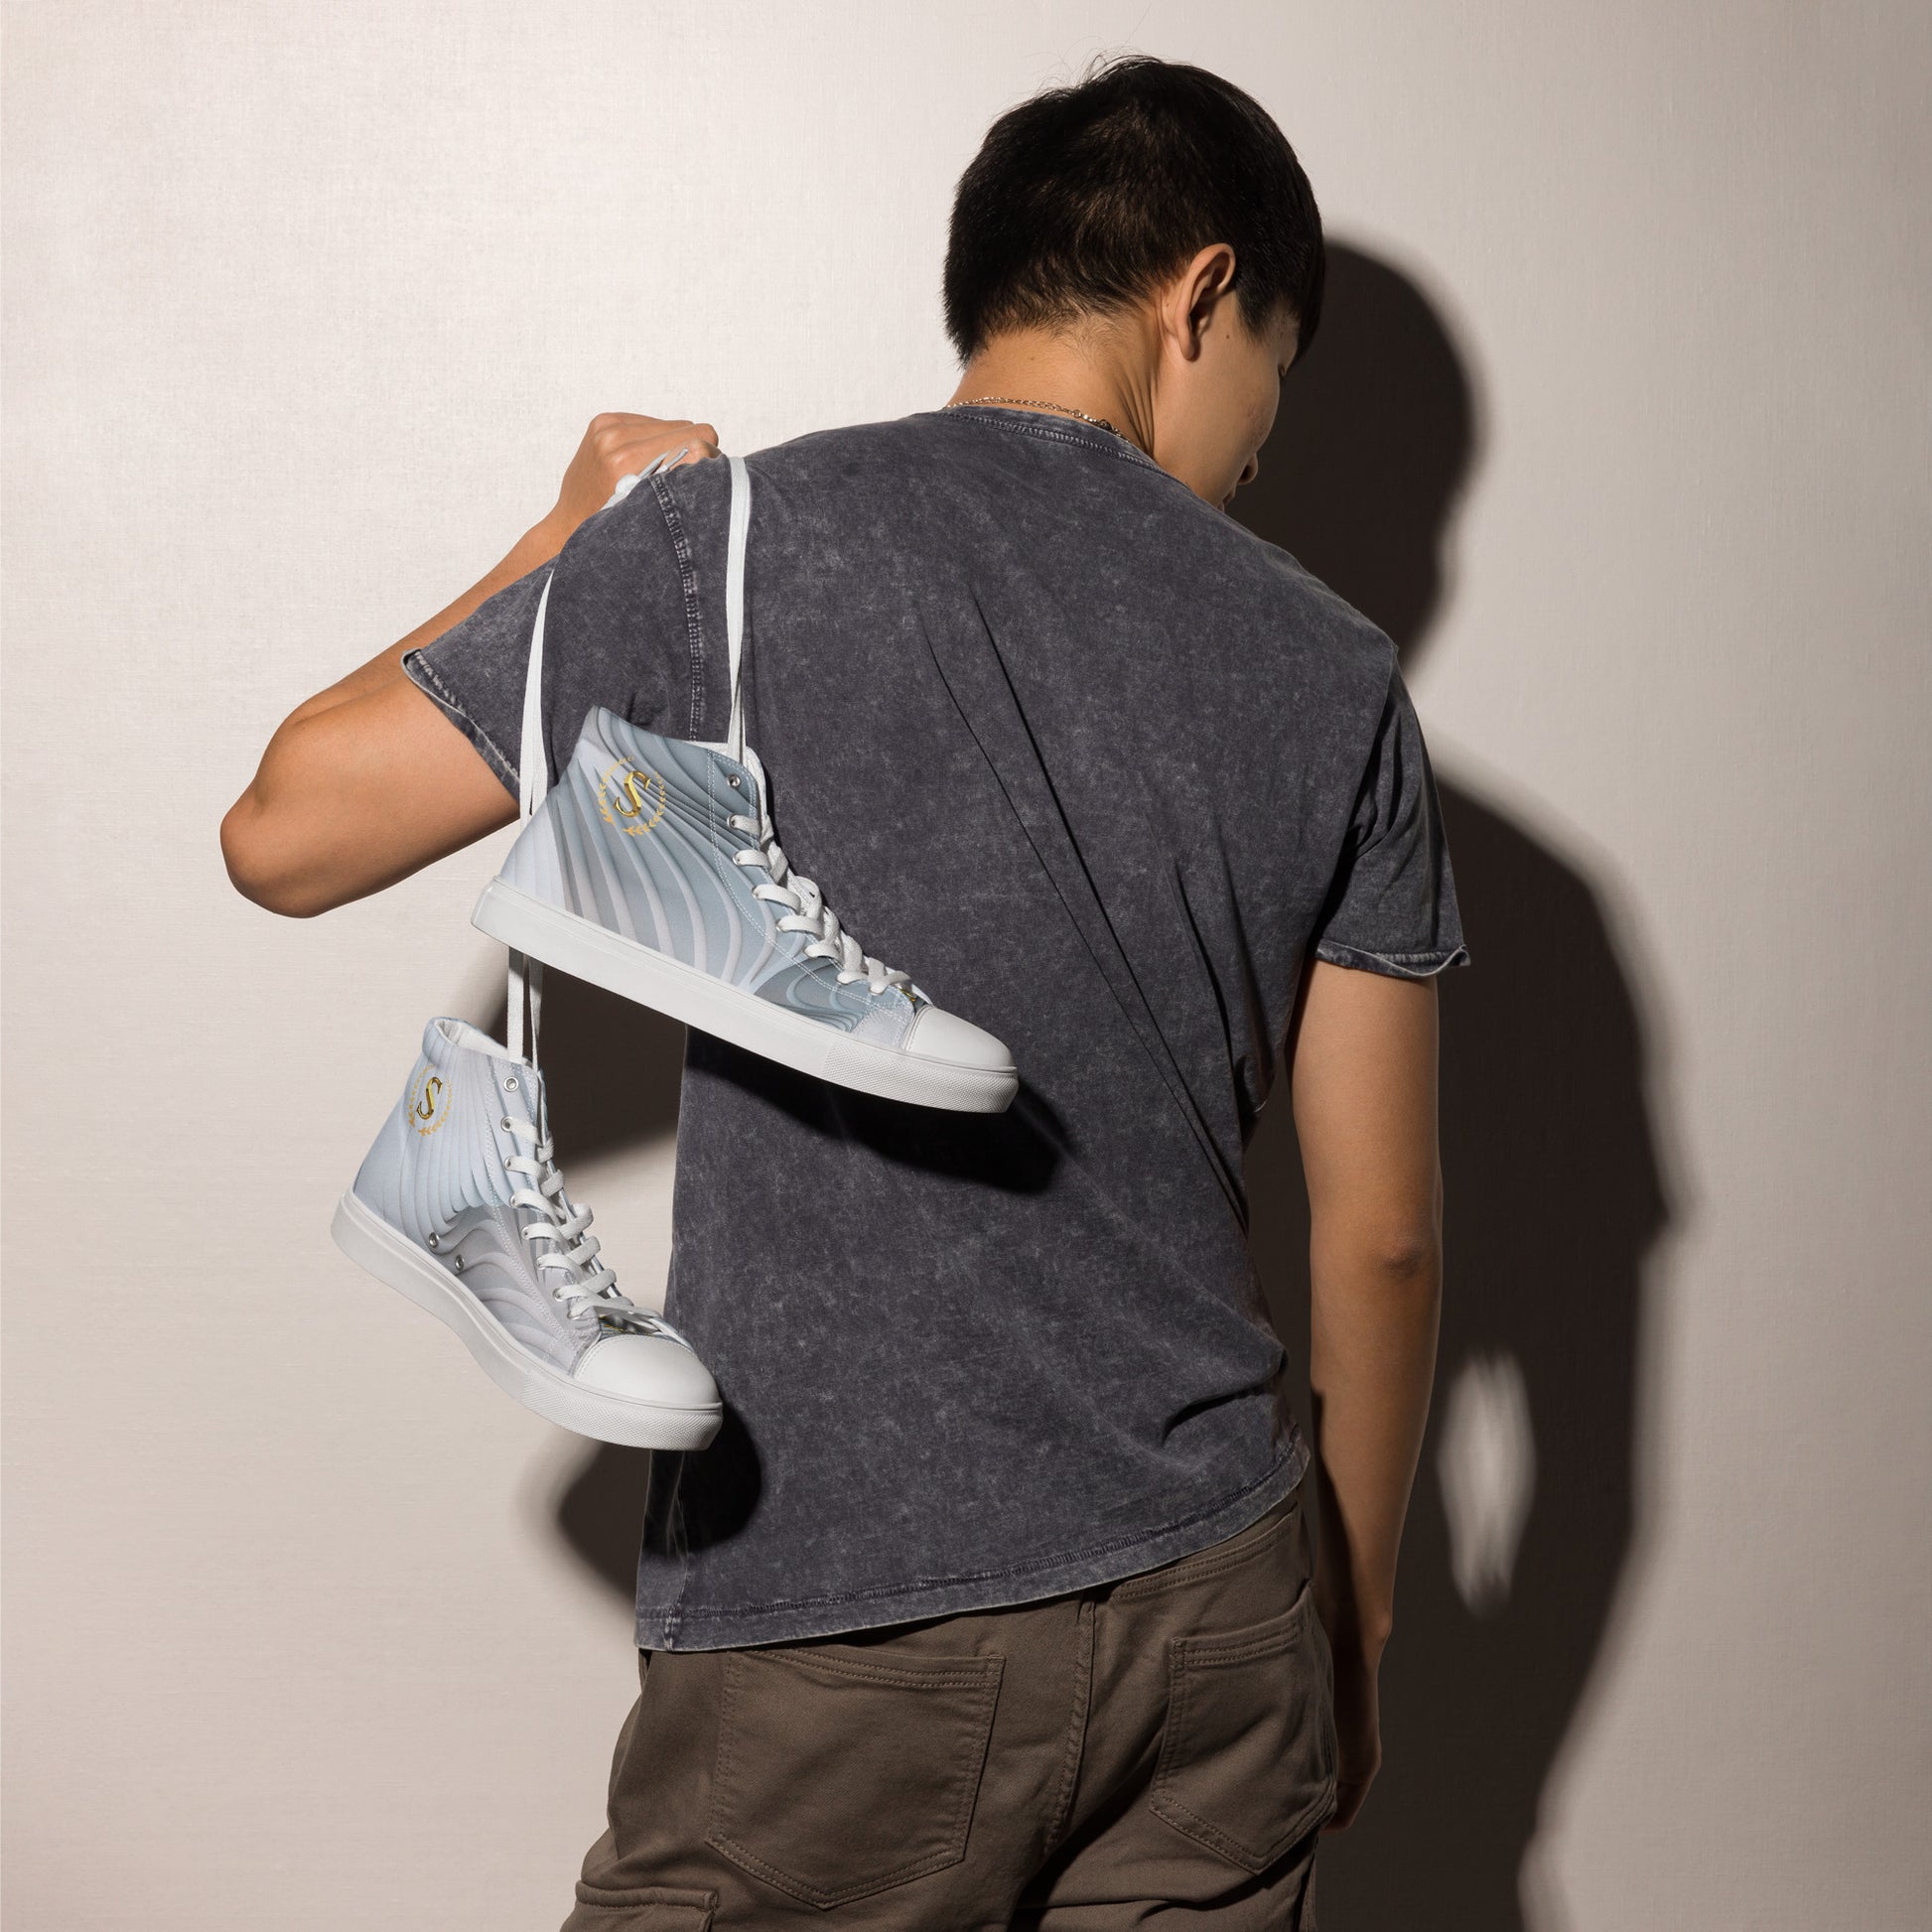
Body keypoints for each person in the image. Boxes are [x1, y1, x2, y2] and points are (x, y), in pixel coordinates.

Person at [222, 52, 1467, 1931]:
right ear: (1201, 295)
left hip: (837, 1612)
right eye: (1272, 380)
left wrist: (563, 544)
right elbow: (1380, 1235)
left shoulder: (722, 551)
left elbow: (286, 832)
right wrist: (1347, 1619)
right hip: (1214, 1605)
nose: (1254, 448)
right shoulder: (1334, 670)